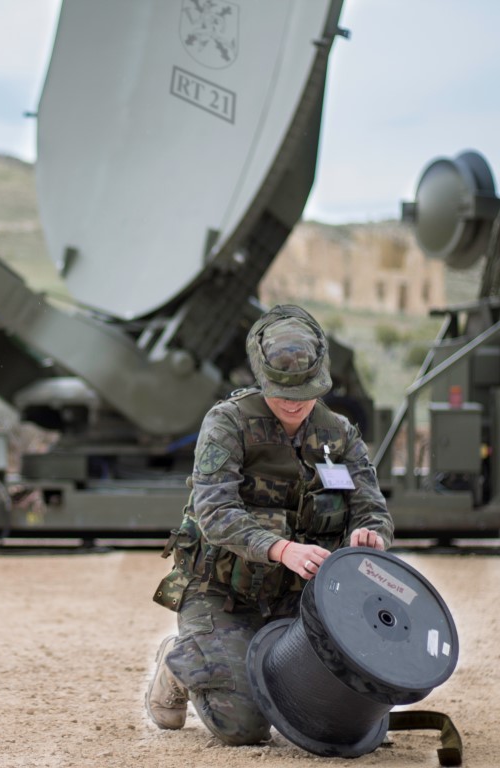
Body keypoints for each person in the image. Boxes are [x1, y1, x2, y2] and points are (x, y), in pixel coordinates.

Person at [145, 304, 394, 745]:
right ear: (261, 377)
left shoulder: (340, 436)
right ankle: (181, 660)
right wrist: (282, 549)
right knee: (244, 726)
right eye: (281, 390)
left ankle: (238, 658)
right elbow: (216, 514)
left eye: (305, 390)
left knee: (326, 715)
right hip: (223, 594)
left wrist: (370, 534)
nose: (293, 402)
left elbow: (372, 509)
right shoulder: (228, 424)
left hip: (299, 605)